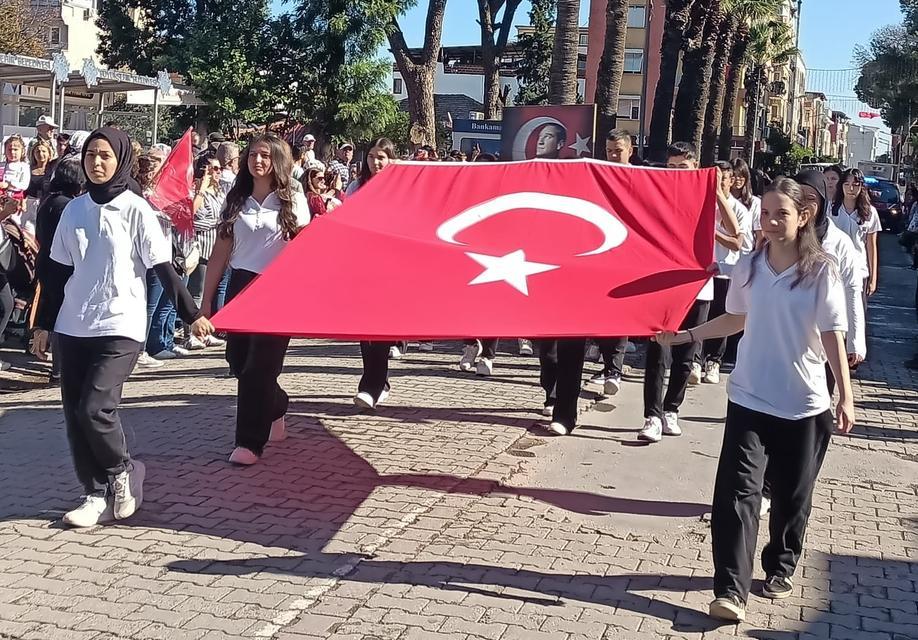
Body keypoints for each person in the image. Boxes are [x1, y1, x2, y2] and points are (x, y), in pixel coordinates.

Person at [656, 177, 854, 623]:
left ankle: (780, 565)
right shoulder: (748, 266)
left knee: (791, 498)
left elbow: (832, 334)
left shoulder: (821, 270)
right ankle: (730, 589)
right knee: (735, 494)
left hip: (805, 403)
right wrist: (686, 335)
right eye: (764, 213)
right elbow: (735, 319)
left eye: (780, 213)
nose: (768, 221)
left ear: (804, 217)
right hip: (749, 397)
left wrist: (845, 393)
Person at [31, 126, 211, 528]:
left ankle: (122, 471)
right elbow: (55, 273)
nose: (96, 162)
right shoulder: (73, 210)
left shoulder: (137, 210)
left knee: (96, 407)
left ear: (121, 160)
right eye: (91, 155)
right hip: (73, 324)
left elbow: (164, 269)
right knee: (75, 413)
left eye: (105, 156)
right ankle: (93, 493)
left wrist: (192, 314)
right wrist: (43, 325)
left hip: (121, 323)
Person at [197, 133, 310, 465]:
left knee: (260, 368)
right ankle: (276, 405)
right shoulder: (236, 199)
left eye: (264, 155)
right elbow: (219, 254)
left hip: (278, 290)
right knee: (237, 361)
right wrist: (205, 305)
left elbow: (305, 249)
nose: (257, 161)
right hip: (240, 285)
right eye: (252, 155)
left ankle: (249, 442)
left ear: (276, 160)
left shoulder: (292, 198)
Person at [639, 142, 741, 443]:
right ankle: (652, 415)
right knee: (658, 351)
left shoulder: (710, 198)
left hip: (699, 287)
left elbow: (736, 237)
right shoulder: (658, 196)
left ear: (695, 167)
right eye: (671, 168)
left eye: (683, 168)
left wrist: (715, 193)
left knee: (686, 352)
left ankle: (672, 409)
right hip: (663, 286)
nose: (676, 174)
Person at [346, 138, 401, 407]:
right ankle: (379, 381)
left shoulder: (402, 189)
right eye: (371, 157)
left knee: (380, 330)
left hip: (390, 270)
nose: (375, 162)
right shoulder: (356, 187)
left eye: (381, 157)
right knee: (364, 331)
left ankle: (371, 385)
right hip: (360, 267)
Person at [588, 128, 637, 395]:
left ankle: (614, 370)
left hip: (628, 258)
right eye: (609, 151)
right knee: (601, 315)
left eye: (618, 151)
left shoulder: (644, 177)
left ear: (630, 151)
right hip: (601, 256)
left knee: (620, 317)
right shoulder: (598, 176)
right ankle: (607, 364)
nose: (613, 155)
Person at [700, 161, 753, 385]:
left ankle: (714, 360)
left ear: (731, 182)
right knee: (701, 317)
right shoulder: (701, 203)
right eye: (716, 180)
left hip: (726, 270)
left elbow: (737, 243)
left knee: (721, 315)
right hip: (702, 270)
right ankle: (696, 358)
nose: (719, 185)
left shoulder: (739, 210)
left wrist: (711, 233)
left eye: (723, 180)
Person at [33, 157, 85, 384]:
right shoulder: (66, 205)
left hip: (46, 260)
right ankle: (59, 369)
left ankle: (58, 367)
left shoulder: (50, 200)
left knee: (55, 310)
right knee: (62, 316)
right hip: (60, 263)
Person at [187, 156, 228, 350]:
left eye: (219, 169)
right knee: (198, 293)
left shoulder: (220, 193)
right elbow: (196, 220)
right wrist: (220, 223)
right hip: (202, 248)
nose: (218, 172)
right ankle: (193, 333)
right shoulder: (199, 193)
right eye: (214, 169)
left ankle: (208, 330)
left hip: (217, 250)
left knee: (216, 291)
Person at [831, 168, 881, 302]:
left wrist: (873, 277)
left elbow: (871, 246)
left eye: (855, 184)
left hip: (858, 270)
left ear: (861, 187)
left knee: (856, 315)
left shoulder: (870, 213)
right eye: (846, 184)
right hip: (833, 270)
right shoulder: (830, 210)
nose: (850, 188)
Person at [23, 140, 54, 233]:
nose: (41, 154)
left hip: (46, 204)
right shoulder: (27, 169)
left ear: (49, 153)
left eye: (44, 151)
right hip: (30, 205)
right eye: (38, 151)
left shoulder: (53, 169)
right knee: (29, 231)